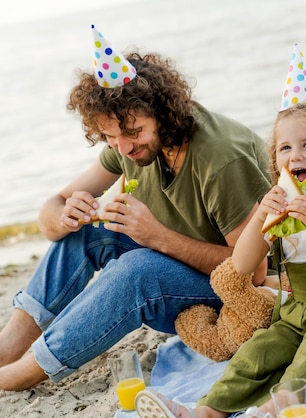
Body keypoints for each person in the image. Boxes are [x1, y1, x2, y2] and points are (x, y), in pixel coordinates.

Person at [0, 25, 271, 391]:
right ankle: (8, 348)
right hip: (183, 269)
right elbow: (52, 209)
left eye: (133, 133)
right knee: (90, 230)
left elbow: (252, 273)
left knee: (137, 269)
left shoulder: (220, 159)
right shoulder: (126, 139)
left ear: (163, 112)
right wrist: (65, 217)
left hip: (248, 295)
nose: (123, 148)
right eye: (111, 137)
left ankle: (23, 373)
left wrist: (158, 237)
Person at [133, 44, 306, 418]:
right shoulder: (278, 207)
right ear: (275, 160)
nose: (295, 155)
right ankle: (204, 412)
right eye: (285, 148)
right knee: (259, 352)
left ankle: (274, 410)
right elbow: (241, 265)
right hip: (296, 313)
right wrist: (260, 220)